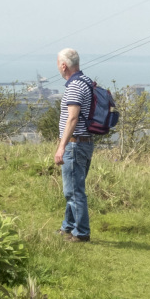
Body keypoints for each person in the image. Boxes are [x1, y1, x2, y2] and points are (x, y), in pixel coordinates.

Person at [54, 48, 94, 243]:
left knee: (73, 191)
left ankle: (81, 232)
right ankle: (67, 227)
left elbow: (73, 118)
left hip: (75, 144)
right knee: (74, 186)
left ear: (63, 65)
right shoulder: (86, 81)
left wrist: (61, 146)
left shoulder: (75, 86)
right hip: (84, 143)